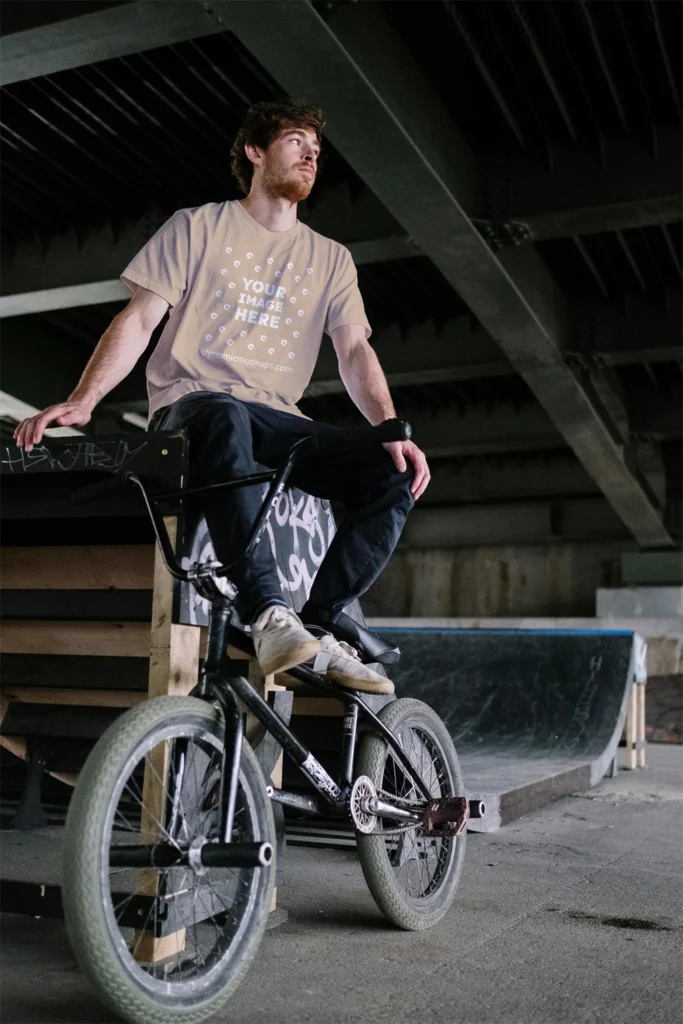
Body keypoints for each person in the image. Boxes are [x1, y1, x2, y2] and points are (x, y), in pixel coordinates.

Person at [13, 99, 430, 693]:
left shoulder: (331, 259)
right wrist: (85, 398)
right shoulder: (196, 227)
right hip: (194, 407)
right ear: (254, 152)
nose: (311, 153)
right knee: (225, 412)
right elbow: (139, 319)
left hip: (278, 418)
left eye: (316, 148)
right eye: (294, 141)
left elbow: (355, 351)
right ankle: (269, 613)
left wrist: (389, 428)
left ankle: (318, 626)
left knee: (389, 473)